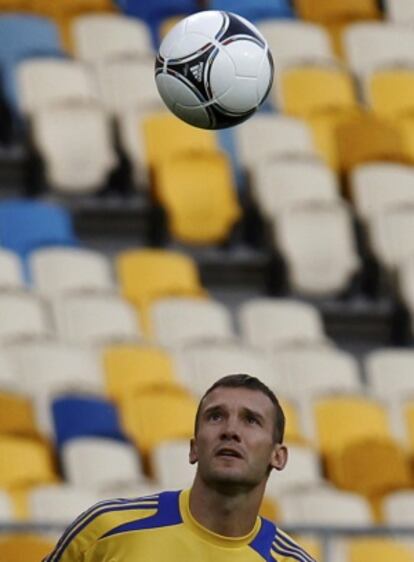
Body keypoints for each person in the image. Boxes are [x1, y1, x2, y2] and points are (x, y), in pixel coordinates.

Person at [44, 374, 316, 562]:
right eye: (216, 416)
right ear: (194, 448)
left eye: (251, 420)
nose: (231, 430)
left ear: (277, 456)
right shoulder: (106, 528)